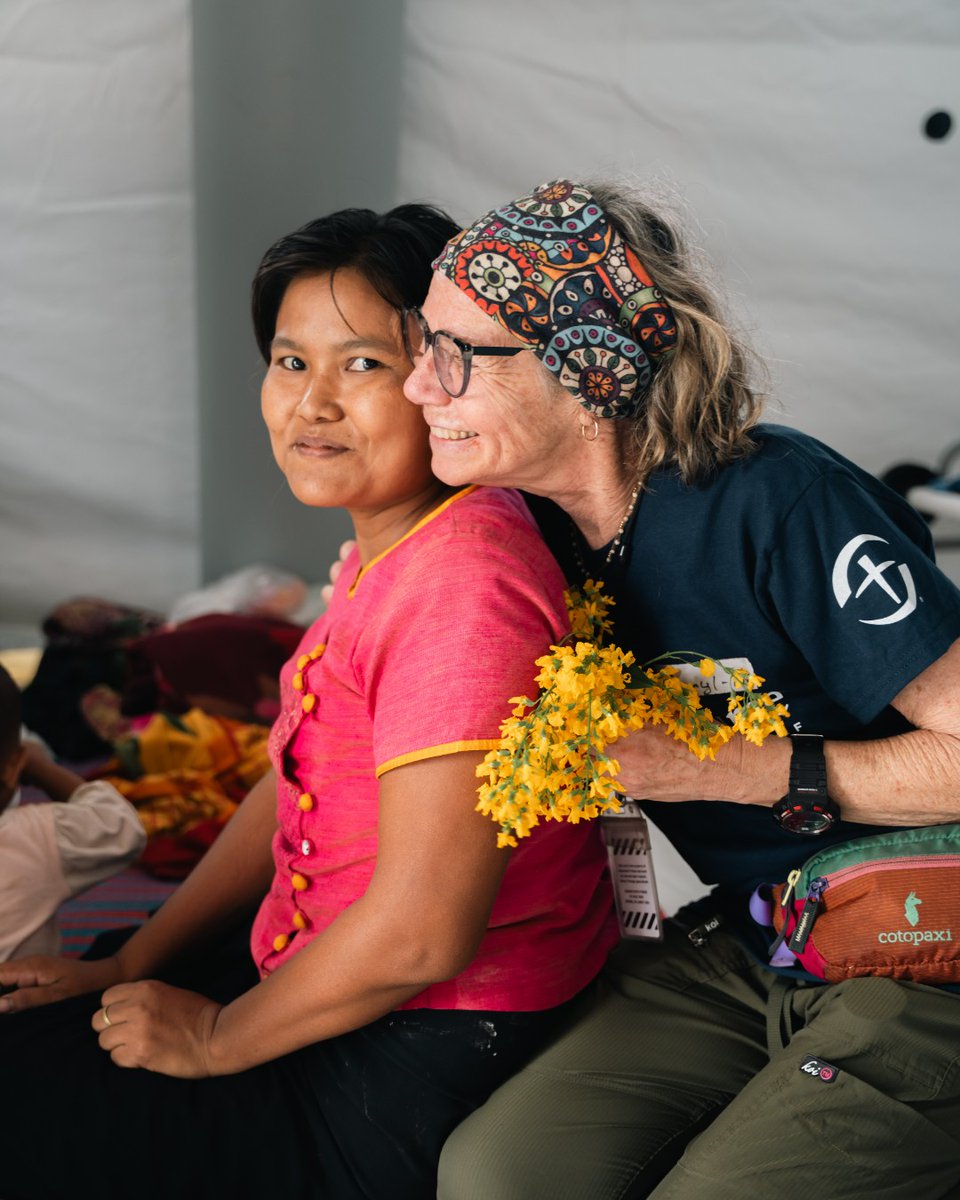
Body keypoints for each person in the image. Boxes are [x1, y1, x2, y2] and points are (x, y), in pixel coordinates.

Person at [0, 204, 618, 1200]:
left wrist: (215, 1034)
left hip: (409, 1055)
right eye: (290, 362)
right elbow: (292, 784)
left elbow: (422, 932)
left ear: (445, 379)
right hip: (323, 990)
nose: (312, 403)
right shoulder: (389, 550)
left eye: (362, 364)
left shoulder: (467, 581)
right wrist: (137, 958)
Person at [398, 178, 960, 1199]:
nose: (415, 388)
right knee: (495, 1176)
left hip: (923, 949)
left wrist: (736, 771)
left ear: (587, 370)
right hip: (750, 944)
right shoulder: (527, 537)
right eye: (418, 343)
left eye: (454, 356)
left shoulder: (783, 504)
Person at [0, 663, 145, 961]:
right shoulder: (32, 835)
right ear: (14, 767)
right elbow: (121, 824)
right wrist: (41, 767)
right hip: (23, 1005)